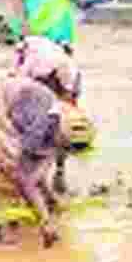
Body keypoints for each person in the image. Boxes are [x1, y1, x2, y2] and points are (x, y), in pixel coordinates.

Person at [0, 72, 73, 247]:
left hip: (11, 103)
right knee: (0, 165)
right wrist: (46, 219)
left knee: (16, 169)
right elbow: (24, 178)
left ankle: (4, 219)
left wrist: (49, 197)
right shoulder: (38, 130)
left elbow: (36, 170)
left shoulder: (58, 120)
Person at [13, 36, 94, 193]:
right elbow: (17, 91)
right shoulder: (30, 69)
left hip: (63, 79)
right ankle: (33, 174)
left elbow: (67, 106)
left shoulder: (69, 74)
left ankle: (58, 170)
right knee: (35, 125)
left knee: (64, 127)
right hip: (35, 79)